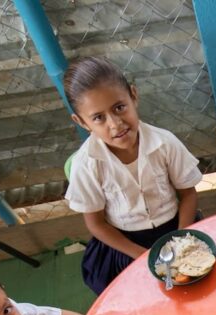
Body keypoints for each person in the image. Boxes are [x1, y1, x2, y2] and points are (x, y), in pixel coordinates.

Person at [64, 56, 203, 294]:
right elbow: (96, 225)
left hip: (176, 228)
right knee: (139, 297)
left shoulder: (165, 143)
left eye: (119, 108)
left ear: (134, 96)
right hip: (125, 244)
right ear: (82, 122)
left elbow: (188, 195)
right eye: (99, 118)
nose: (116, 124)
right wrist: (141, 256)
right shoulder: (86, 164)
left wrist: (181, 240)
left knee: (196, 283)